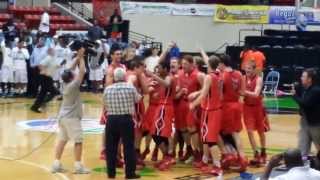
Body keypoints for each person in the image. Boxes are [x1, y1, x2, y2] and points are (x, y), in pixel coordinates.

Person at [51, 47, 90, 174]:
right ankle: (78, 166)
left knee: (62, 140)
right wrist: (82, 57)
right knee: (78, 141)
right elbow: (82, 71)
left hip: (62, 117)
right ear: (72, 77)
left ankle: (56, 164)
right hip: (72, 118)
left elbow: (70, 70)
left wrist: (77, 57)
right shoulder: (73, 85)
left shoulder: (64, 82)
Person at [103, 67, 141, 179]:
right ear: (125, 77)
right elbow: (138, 99)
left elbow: (105, 104)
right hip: (126, 119)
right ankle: (129, 173)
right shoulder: (130, 88)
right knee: (128, 146)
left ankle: (111, 173)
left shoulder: (108, 89)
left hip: (111, 120)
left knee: (111, 148)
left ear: (114, 78)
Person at [189, 55, 223, 176]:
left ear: (209, 65)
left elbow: (204, 94)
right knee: (205, 138)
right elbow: (207, 91)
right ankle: (204, 160)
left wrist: (193, 104)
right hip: (213, 109)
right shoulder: (219, 74)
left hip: (211, 110)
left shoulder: (209, 76)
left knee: (211, 140)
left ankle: (217, 165)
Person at [145, 61, 177, 171]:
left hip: (165, 107)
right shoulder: (166, 78)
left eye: (159, 68)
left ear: (165, 68)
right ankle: (167, 156)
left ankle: (169, 156)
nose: (158, 70)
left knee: (162, 133)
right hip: (163, 106)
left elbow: (167, 84)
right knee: (158, 133)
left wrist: (152, 75)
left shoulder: (169, 77)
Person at [243, 60, 267, 166]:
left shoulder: (259, 79)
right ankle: (255, 153)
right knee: (249, 131)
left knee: (261, 132)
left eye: (249, 69)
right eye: (246, 68)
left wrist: (243, 92)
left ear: (254, 69)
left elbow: (256, 94)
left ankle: (263, 151)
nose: (247, 70)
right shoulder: (243, 79)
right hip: (247, 108)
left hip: (258, 108)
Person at [292, 68, 320, 157]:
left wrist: (294, 96)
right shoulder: (305, 89)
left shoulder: (315, 90)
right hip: (305, 121)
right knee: (302, 146)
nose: (301, 78)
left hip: (316, 124)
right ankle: (302, 165)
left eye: (303, 76)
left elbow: (306, 104)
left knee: (318, 146)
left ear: (309, 79)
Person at [30, 48, 60, 113]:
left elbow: (54, 66)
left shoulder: (52, 58)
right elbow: (40, 65)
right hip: (45, 77)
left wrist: (59, 65)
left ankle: (35, 107)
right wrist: (44, 71)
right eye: (53, 51)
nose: (54, 52)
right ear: (49, 52)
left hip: (48, 77)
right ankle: (43, 102)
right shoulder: (48, 58)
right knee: (55, 92)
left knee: (43, 93)